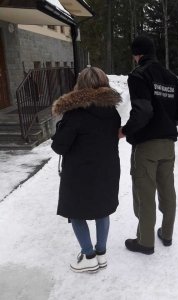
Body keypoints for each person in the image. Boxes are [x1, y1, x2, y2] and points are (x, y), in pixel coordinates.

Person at [119, 35, 178, 255]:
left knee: (145, 194)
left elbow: (143, 111)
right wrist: (168, 117)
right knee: (167, 191)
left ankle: (145, 242)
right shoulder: (171, 77)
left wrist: (124, 131)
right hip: (168, 145)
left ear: (137, 55)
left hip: (146, 146)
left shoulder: (139, 75)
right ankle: (166, 234)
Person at [51, 66, 121, 273]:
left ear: (80, 86)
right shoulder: (112, 112)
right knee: (102, 210)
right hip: (107, 170)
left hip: (79, 174)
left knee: (76, 213)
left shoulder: (74, 114)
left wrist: (59, 129)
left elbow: (59, 146)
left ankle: (89, 256)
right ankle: (102, 253)